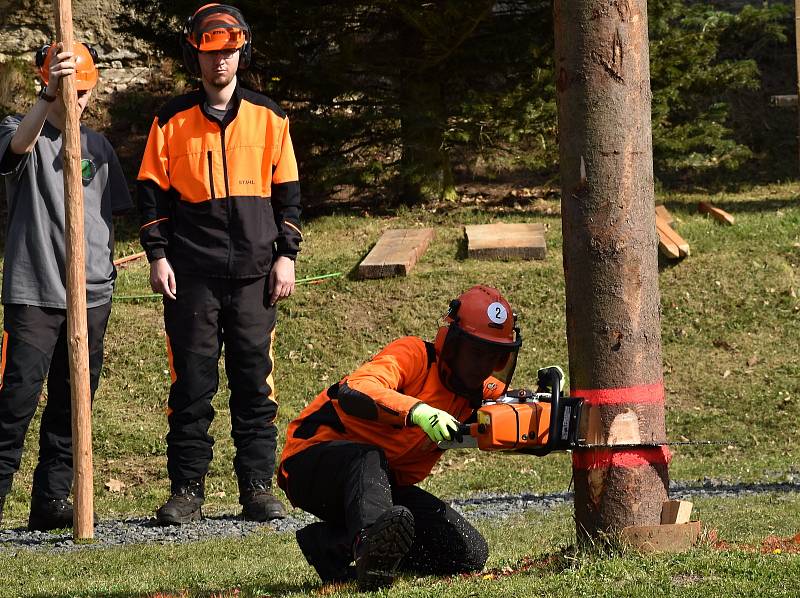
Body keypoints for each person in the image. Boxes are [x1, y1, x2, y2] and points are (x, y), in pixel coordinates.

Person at [137, 3, 301, 525]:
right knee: (191, 385)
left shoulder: (271, 117)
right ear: (196, 58)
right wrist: (158, 257)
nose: (220, 64)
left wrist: (286, 257)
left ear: (242, 53)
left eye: (228, 53)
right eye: (210, 55)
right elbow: (151, 199)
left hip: (256, 274)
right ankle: (187, 491)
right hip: (191, 276)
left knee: (255, 385)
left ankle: (256, 488)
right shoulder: (169, 121)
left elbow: (290, 198)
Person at [279, 285, 540, 590]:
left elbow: (516, 410)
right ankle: (369, 555)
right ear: (452, 345)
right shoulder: (414, 355)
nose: (483, 366)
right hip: (309, 464)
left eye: (493, 357)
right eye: (476, 353)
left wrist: (545, 414)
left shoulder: (478, 392)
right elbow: (356, 389)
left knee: (468, 554)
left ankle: (329, 544)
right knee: (367, 457)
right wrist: (417, 411)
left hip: (379, 485)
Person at [0, 42, 132, 530]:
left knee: (72, 404)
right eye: (63, 91)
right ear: (47, 86)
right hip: (34, 293)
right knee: (15, 400)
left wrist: (106, 271)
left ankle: (51, 501)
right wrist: (45, 95)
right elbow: (14, 151)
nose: (72, 101)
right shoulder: (21, 131)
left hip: (92, 295)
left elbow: (108, 219)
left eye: (80, 92)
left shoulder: (98, 147)